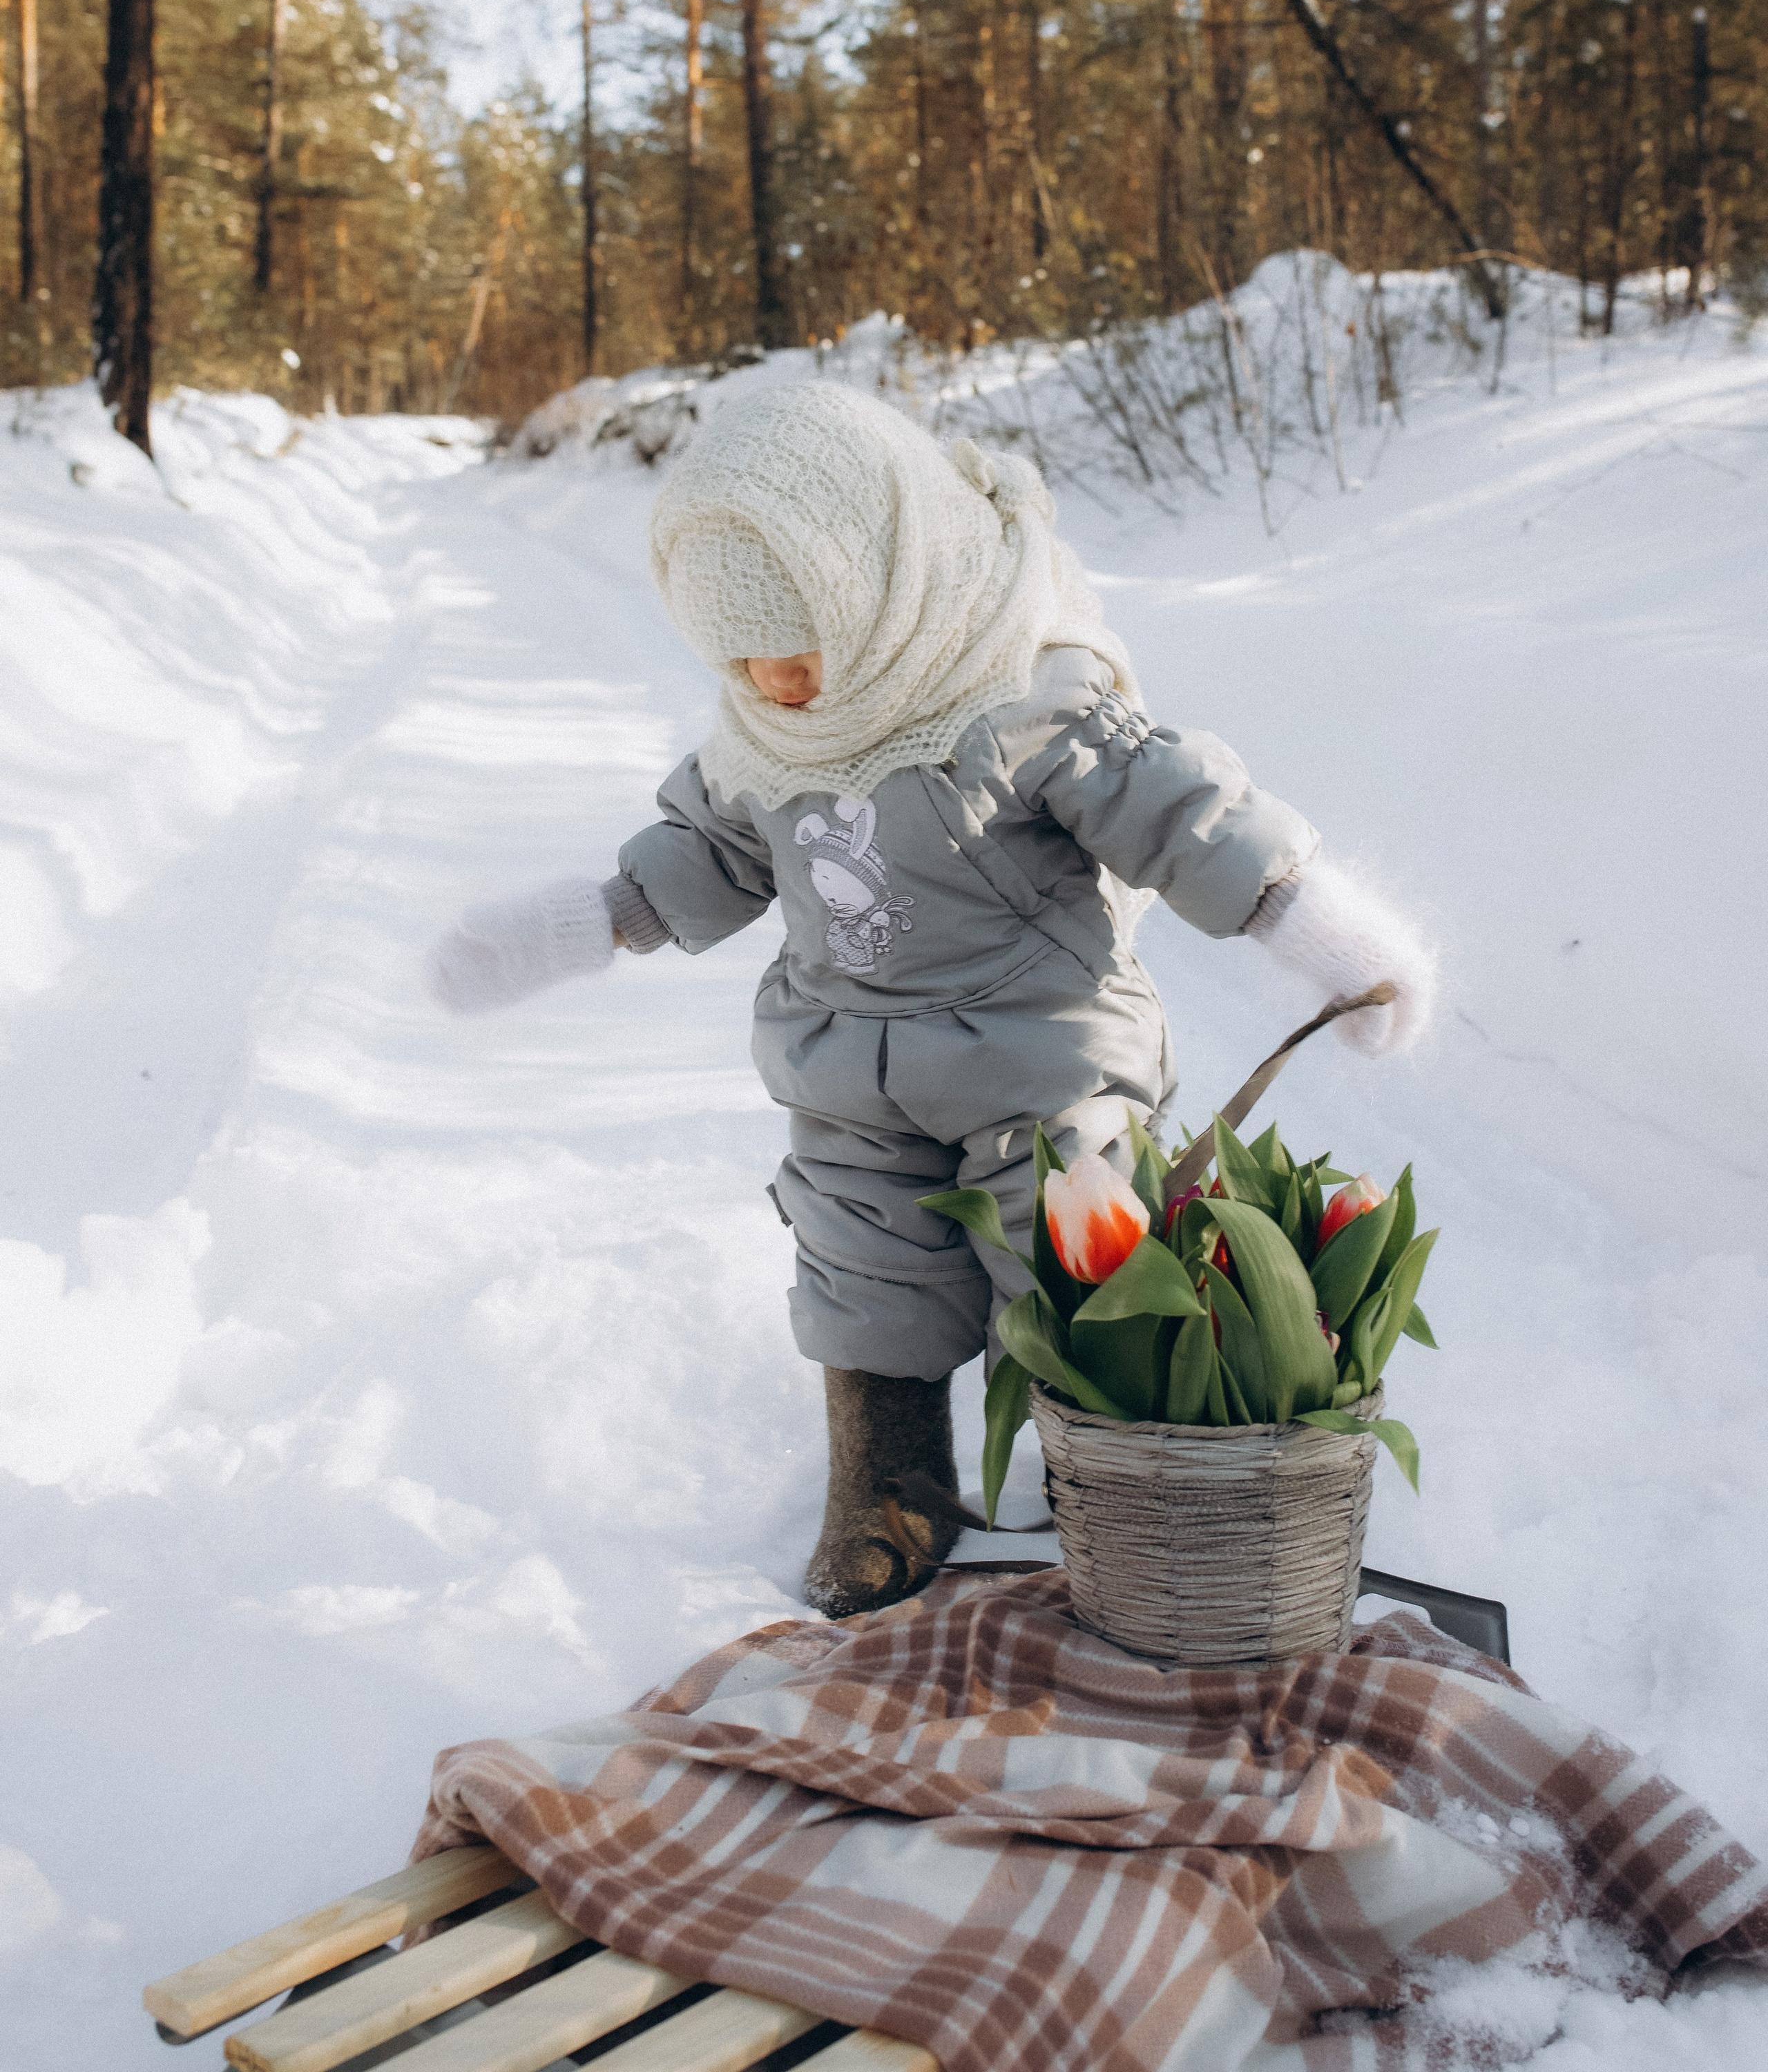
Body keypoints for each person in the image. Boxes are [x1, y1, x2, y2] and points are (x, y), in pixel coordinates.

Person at [427, 383, 1435, 1616]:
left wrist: (1311, 919)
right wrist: (580, 925)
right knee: (861, 1262)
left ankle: (1101, 1486)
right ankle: (888, 1483)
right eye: (739, 657)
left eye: (799, 642)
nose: (775, 680)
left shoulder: (1024, 693)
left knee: (1068, 1258)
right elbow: (708, 853)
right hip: (848, 1063)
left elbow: (1178, 813)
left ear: (879, 587)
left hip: (1043, 1055)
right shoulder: (763, 734)